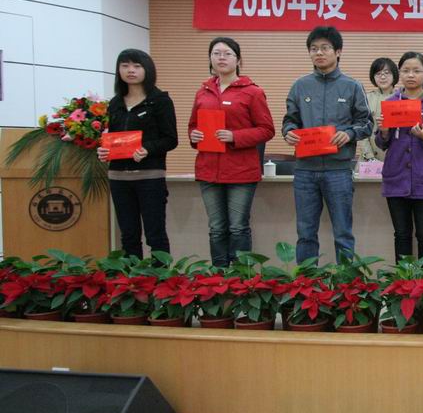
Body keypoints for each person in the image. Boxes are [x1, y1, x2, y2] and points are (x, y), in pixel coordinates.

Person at [282, 26, 371, 263]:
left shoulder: (352, 86)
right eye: (314, 49)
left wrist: (349, 134)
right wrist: (289, 132)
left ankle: (346, 283)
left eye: (325, 48)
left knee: (343, 233)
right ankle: (307, 282)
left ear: (338, 52)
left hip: (338, 170)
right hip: (305, 171)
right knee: (305, 234)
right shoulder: (300, 86)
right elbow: (290, 120)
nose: (319, 53)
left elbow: (366, 123)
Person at [187, 37, 274, 267]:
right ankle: (219, 275)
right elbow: (193, 126)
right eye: (216, 53)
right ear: (210, 59)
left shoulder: (252, 92)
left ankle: (241, 277)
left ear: (238, 60)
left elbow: (267, 130)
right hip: (209, 170)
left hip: (241, 172)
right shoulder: (202, 92)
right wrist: (194, 136)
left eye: (227, 54)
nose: (221, 58)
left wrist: (235, 136)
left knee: (238, 227)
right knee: (216, 228)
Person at [97, 49, 178, 259]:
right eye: (125, 66)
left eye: (136, 66)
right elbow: (112, 137)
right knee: (128, 235)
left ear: (147, 69)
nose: (130, 70)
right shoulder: (115, 103)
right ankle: (132, 275)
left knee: (155, 234)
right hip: (118, 177)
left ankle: (160, 275)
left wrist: (148, 149)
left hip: (149, 176)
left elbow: (170, 139)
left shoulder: (159, 101)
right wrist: (104, 151)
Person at [375, 52, 423, 261]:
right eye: (406, 71)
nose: (411, 75)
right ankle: (404, 279)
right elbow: (381, 143)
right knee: (401, 235)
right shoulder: (391, 102)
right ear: (399, 74)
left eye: (416, 71)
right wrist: (383, 132)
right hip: (396, 179)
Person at [357, 58, 398, 162]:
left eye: (387, 73)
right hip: (369, 158)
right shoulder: (366, 98)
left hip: (395, 158)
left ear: (394, 75)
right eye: (378, 73)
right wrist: (369, 156)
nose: (382, 77)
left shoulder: (402, 98)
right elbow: (362, 129)